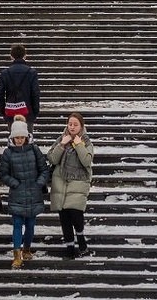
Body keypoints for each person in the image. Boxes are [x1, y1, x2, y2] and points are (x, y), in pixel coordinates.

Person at [1, 115, 51, 269]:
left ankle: (27, 249)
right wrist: (14, 183)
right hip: (17, 194)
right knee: (17, 225)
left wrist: (38, 183)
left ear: (26, 136)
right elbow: (3, 174)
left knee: (30, 225)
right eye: (17, 138)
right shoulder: (8, 153)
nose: (20, 140)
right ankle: (17, 255)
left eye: (22, 137)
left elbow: (44, 169)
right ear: (13, 138)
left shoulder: (35, 150)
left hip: (33, 193)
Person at [48, 111, 95, 259]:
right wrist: (62, 144)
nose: (72, 127)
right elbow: (52, 159)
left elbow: (87, 161)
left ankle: (80, 239)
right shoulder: (62, 139)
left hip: (78, 182)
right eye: (70, 124)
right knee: (64, 217)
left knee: (76, 214)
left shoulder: (86, 142)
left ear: (81, 127)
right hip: (60, 181)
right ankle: (70, 248)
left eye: (75, 124)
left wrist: (79, 145)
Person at [0, 43, 41, 127]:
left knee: (13, 138)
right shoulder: (31, 73)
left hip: (11, 112)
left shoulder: (5, 73)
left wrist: (3, 111)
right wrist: (35, 112)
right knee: (27, 137)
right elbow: (35, 93)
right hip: (28, 112)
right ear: (25, 56)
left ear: (11, 56)